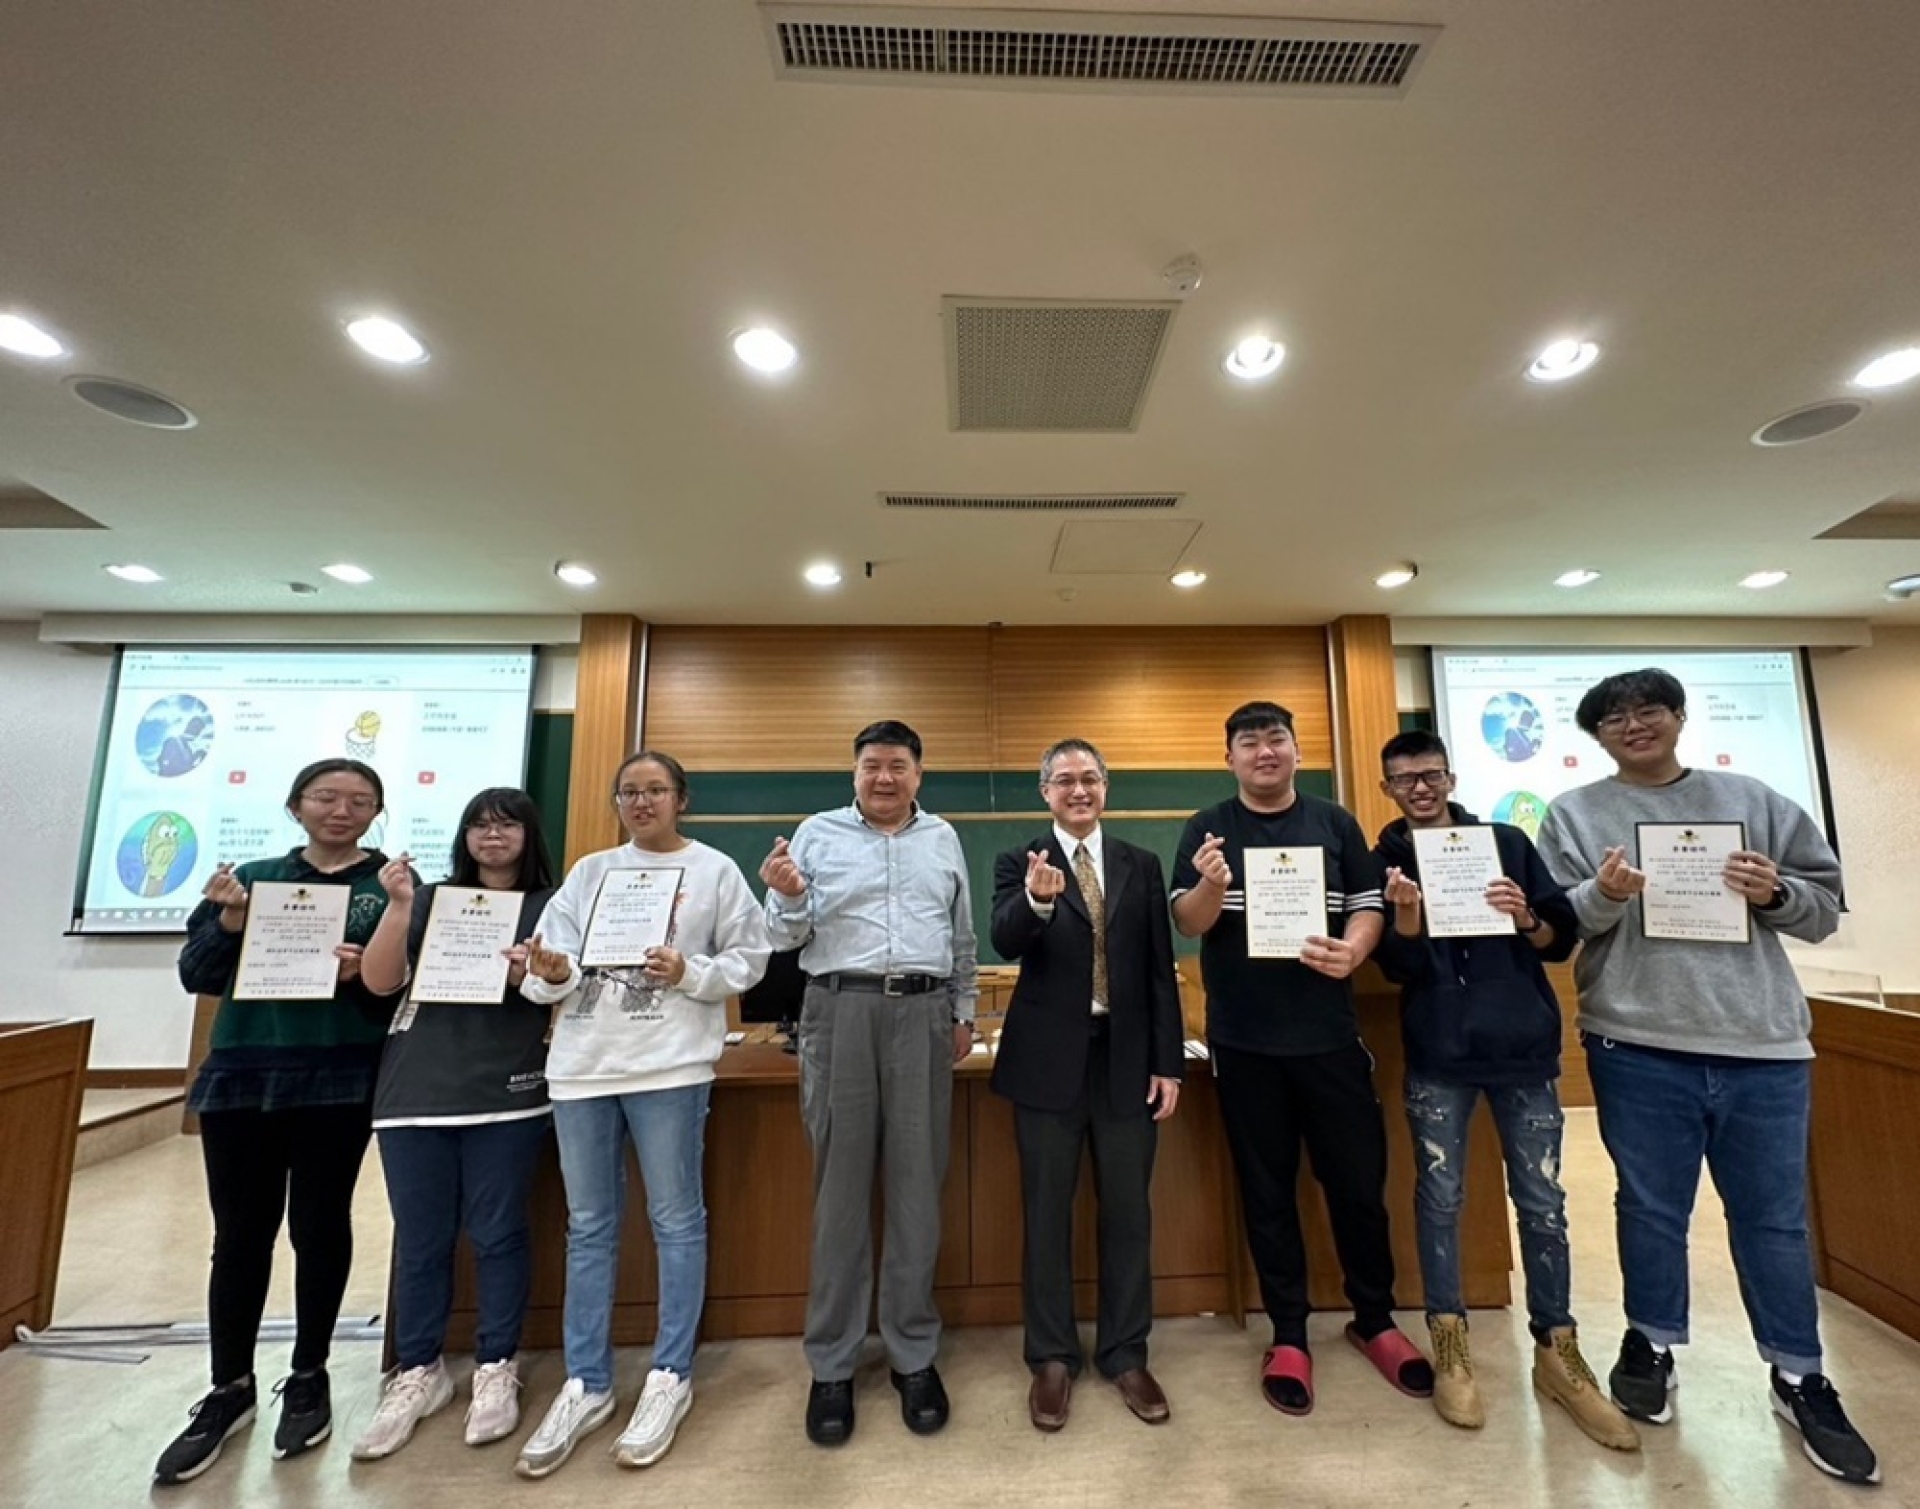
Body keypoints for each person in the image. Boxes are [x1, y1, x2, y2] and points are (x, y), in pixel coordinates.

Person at [1536, 668, 1879, 1485]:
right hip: (1636, 1040)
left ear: (1680, 716)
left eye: (1648, 710)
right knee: (1650, 1207)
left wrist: (1776, 890)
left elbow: (1824, 906)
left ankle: (1799, 1373)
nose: (1633, 725)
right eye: (1614, 718)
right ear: (1597, 736)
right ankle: (1651, 1342)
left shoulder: (1752, 798)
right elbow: (1556, 926)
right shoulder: (1574, 813)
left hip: (1762, 1043)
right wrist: (1603, 893)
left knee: (1774, 1219)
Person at [1371, 731, 1637, 1450]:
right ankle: (1450, 1342)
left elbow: (1557, 939)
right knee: (1440, 1198)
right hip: (1439, 1053)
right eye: (1404, 779)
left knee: (1544, 1201)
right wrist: (1406, 916)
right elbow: (1396, 967)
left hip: (1522, 1049)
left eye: (1430, 774)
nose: (1419, 788)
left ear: (1450, 777)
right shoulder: (1383, 858)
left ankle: (1558, 1349)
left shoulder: (1506, 842)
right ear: (1388, 788)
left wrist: (1525, 916)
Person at [510, 751, 771, 1479]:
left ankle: (669, 1373)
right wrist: (551, 973)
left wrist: (690, 972)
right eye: (628, 791)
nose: (641, 801)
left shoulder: (714, 870)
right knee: (589, 1225)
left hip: (669, 1066)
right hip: (582, 1068)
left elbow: (751, 956)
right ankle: (586, 1382)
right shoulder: (590, 872)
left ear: (681, 799)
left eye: (655, 789)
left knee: (676, 1220)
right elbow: (546, 969)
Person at [1169, 701, 1431, 1416]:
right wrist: (1212, 884)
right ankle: (1288, 1332)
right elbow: (1188, 920)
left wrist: (1355, 950)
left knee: (1357, 1186)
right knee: (1267, 1190)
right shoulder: (1207, 827)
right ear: (1229, 757)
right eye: (1249, 742)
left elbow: (1369, 905)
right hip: (1245, 1045)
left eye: (1276, 738)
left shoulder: (1334, 822)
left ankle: (1374, 1319)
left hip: (1330, 1039)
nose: (1264, 751)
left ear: (1295, 749)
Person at [154, 759, 404, 1486]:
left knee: (320, 1225)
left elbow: (396, 993)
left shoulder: (389, 885)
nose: (342, 810)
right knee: (239, 1234)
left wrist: (366, 969)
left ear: (377, 812)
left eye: (360, 800)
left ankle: (309, 1372)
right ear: (296, 806)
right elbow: (198, 973)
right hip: (244, 1070)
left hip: (340, 1072)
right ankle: (228, 1385)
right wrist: (231, 921)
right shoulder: (251, 878)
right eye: (326, 796)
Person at [759, 719, 978, 1448]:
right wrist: (787, 895)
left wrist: (964, 1011)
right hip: (839, 1009)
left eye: (898, 765)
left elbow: (961, 935)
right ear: (854, 774)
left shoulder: (942, 837)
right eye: (871, 766)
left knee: (918, 1188)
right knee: (841, 1193)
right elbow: (784, 936)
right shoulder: (816, 834)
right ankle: (832, 1364)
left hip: (923, 1013)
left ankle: (914, 1354)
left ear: (919, 774)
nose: (884, 777)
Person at [348, 787, 560, 1460]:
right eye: (479, 825)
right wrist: (399, 906)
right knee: (421, 1239)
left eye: (507, 825)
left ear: (529, 835)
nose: (492, 836)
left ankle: (496, 1363)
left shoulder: (551, 904)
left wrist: (535, 975)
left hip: (508, 1089)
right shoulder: (430, 898)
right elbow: (380, 982)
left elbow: (558, 990)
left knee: (499, 1232)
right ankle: (419, 1370)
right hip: (415, 1090)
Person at [989, 738, 1184, 1432]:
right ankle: (1051, 1357)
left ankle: (1126, 1352)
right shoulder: (1021, 860)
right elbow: (1004, 938)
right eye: (1065, 779)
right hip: (1047, 1064)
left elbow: (1159, 969)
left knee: (1129, 1212)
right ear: (1044, 791)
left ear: (1106, 787)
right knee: (1046, 1212)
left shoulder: (1140, 862)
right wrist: (1037, 903)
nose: (1079, 789)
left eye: (1090, 778)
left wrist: (1168, 1062)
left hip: (1126, 1061)